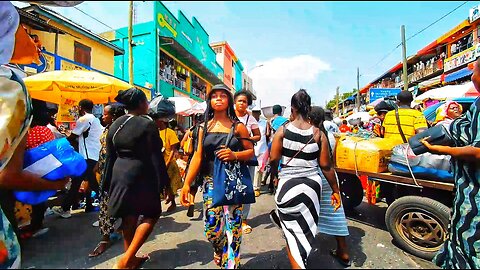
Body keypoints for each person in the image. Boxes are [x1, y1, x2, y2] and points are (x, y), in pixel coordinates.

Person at [0, 3, 70, 267]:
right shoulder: (9, 84)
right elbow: (7, 175)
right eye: (27, 33)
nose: (36, 45)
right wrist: (56, 186)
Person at [179, 84, 254, 269]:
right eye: (214, 96)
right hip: (210, 182)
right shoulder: (203, 127)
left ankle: (232, 264)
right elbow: (197, 156)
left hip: (232, 182)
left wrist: (234, 155)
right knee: (211, 227)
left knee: (234, 227)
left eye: (223, 95)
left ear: (229, 101)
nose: (218, 98)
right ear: (210, 101)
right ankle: (219, 247)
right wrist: (187, 184)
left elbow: (250, 152)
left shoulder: (239, 127)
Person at [269, 90, 341, 269]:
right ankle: (301, 261)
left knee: (292, 233)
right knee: (304, 232)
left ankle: (298, 265)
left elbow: (273, 159)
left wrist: (275, 177)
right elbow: (326, 166)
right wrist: (335, 190)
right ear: (308, 108)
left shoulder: (282, 130)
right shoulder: (318, 133)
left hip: (288, 186)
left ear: (292, 108)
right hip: (311, 188)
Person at [420, 57, 480, 269]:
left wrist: (440, 149)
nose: (472, 74)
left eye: (475, 69)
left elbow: (477, 151)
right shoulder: (475, 106)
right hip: (468, 191)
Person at [104, 88, 170, 269]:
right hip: (140, 173)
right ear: (142, 104)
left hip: (119, 172)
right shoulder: (147, 123)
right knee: (152, 213)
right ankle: (127, 259)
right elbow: (155, 155)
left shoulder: (116, 123)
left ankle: (130, 258)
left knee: (129, 216)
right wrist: (164, 183)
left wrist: (106, 183)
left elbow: (110, 156)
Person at [308, 106, 351, 267]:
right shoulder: (331, 136)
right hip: (330, 178)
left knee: (306, 212)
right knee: (335, 212)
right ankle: (343, 250)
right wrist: (336, 189)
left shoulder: (308, 134)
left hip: (312, 176)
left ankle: (302, 251)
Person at [53, 99, 103, 218]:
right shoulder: (94, 119)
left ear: (81, 107)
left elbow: (73, 137)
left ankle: (110, 205)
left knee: (86, 183)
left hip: (87, 156)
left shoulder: (84, 119)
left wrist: (60, 143)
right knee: (81, 182)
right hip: (93, 155)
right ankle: (66, 208)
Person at [88, 103, 125, 258]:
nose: (102, 116)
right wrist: (98, 164)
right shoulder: (108, 128)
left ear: (114, 115)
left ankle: (106, 239)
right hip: (105, 172)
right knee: (107, 202)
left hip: (116, 174)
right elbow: (104, 149)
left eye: (105, 114)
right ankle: (111, 233)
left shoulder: (121, 129)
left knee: (109, 204)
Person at [234, 90, 261, 235]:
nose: (242, 104)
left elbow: (258, 136)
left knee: (246, 187)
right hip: (231, 157)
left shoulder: (250, 119)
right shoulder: (228, 116)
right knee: (231, 186)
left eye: (245, 101)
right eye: (240, 101)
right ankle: (231, 216)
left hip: (247, 157)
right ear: (235, 102)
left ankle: (243, 219)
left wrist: (247, 139)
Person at [152, 114, 182, 213]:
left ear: (161, 122)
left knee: (170, 184)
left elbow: (173, 149)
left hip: (169, 162)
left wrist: (168, 161)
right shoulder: (155, 133)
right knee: (162, 184)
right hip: (159, 162)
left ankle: (172, 202)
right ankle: (167, 197)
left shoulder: (170, 132)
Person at [179, 113, 204, 218]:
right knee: (205, 182)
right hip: (204, 159)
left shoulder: (191, 130)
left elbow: (182, 144)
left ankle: (192, 201)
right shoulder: (205, 129)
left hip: (192, 159)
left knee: (192, 182)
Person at [251, 105, 268, 196]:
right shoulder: (249, 122)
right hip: (251, 149)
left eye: (257, 112)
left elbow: (268, 135)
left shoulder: (265, 123)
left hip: (262, 149)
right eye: (254, 112)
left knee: (260, 169)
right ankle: (250, 186)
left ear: (260, 113)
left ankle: (256, 188)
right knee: (251, 169)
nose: (255, 114)